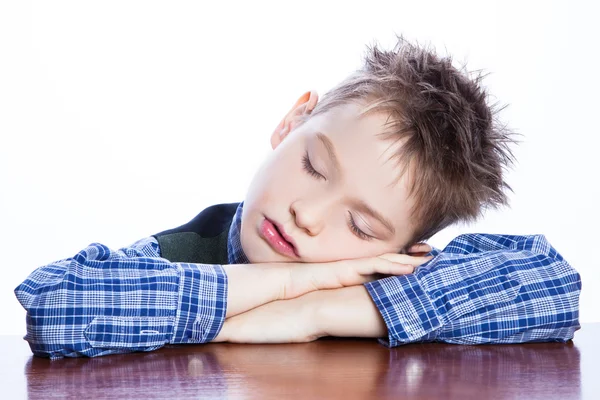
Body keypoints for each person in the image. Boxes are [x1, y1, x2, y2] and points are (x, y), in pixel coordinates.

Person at [14, 36, 581, 359]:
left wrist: (318, 311)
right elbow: (53, 304)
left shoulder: (391, 282)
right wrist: (287, 282)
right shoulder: (184, 252)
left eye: (360, 227)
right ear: (291, 122)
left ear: (409, 250)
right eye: (313, 165)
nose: (306, 215)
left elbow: (554, 285)